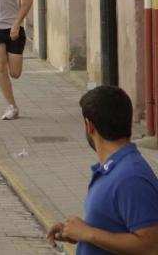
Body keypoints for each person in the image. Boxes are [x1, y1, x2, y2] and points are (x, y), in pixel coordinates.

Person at [46, 86, 158, 253]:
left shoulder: (130, 177)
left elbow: (150, 246)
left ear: (89, 126)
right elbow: (115, 228)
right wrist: (75, 232)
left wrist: (88, 233)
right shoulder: (114, 169)